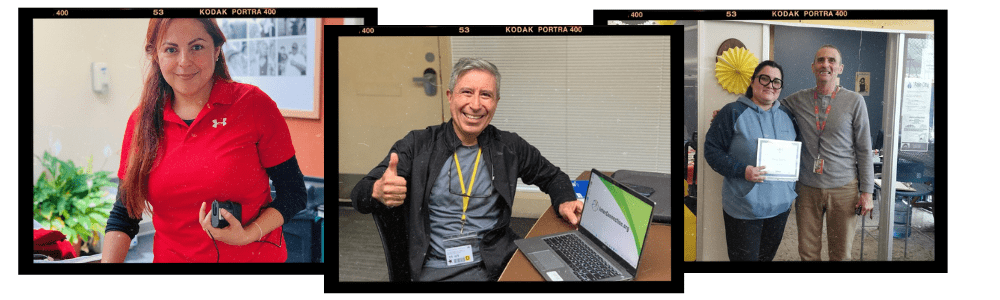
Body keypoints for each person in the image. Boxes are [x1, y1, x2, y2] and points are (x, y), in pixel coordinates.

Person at [350, 58, 581, 281]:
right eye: (467, 92)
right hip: (436, 268)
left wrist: (565, 200)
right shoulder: (418, 145)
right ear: (450, 97)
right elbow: (359, 195)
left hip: (498, 261)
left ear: (496, 102)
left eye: (486, 95)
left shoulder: (509, 147)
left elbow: (552, 176)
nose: (476, 104)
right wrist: (377, 190)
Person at [101, 18, 307, 263]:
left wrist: (248, 234)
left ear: (217, 49)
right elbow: (124, 214)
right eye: (171, 49)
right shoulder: (141, 122)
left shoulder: (254, 105)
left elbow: (294, 193)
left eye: (197, 47)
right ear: (156, 55)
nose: (184, 62)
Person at [780, 44, 874, 261]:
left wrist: (867, 192)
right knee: (808, 252)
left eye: (832, 61)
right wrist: (734, 111)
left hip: (844, 189)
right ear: (813, 67)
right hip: (807, 188)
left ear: (840, 68)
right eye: (821, 60)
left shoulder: (855, 101)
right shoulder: (797, 99)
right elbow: (767, 105)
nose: (826, 64)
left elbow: (864, 149)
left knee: (840, 254)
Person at [704, 61, 797, 261]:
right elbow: (711, 151)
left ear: (781, 88)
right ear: (752, 81)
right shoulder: (732, 112)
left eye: (777, 82)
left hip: (779, 208)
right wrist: (742, 170)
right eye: (765, 78)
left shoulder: (788, 116)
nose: (770, 85)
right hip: (744, 209)